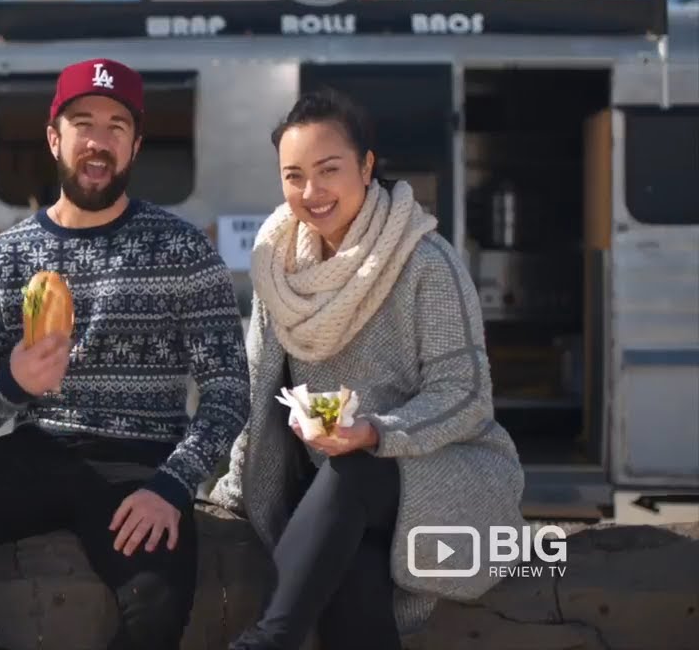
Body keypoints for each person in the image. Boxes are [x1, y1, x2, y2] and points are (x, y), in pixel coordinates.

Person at [0, 58, 252, 650]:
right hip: (40, 452)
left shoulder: (181, 248)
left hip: (143, 464)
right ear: (55, 137)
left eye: (116, 126)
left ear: (135, 145)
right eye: (84, 123)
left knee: (155, 614)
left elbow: (230, 390)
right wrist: (13, 381)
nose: (98, 142)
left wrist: (174, 486)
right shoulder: (6, 257)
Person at [208, 88, 526, 650]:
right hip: (335, 495)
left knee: (355, 470)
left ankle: (267, 640)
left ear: (367, 166)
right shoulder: (277, 270)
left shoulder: (425, 262)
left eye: (329, 170)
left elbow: (466, 394)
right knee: (349, 580)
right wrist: (236, 486)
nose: (311, 192)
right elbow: (260, 389)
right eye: (293, 175)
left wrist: (377, 432)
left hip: (435, 470)